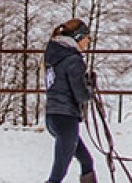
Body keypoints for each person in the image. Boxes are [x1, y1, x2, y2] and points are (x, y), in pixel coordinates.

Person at [43, 18, 98, 183]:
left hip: (53, 117)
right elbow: (81, 95)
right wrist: (90, 86)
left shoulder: (54, 56)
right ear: (79, 37)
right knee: (57, 176)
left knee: (87, 162)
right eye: (87, 36)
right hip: (66, 118)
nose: (89, 40)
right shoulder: (74, 60)